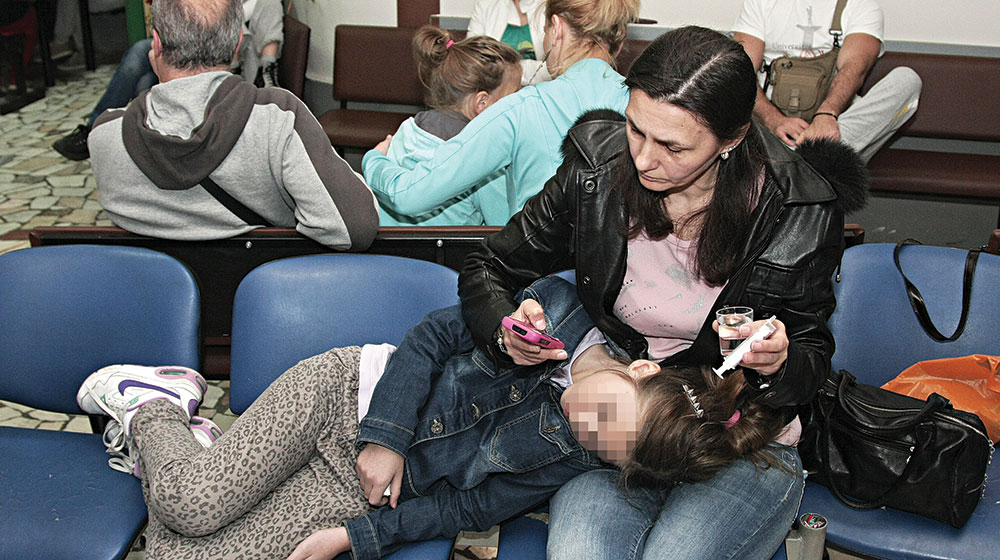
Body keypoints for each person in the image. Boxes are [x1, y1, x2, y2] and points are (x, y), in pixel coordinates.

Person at [458, 26, 870, 559]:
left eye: (673, 146)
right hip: (618, 433)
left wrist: (777, 363)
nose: (644, 159)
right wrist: (505, 330)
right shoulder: (598, 168)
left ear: (732, 139)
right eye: (635, 128)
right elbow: (490, 266)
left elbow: (811, 357)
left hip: (735, 438)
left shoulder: (800, 208)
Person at [76, 276, 786, 560]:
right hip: (346, 398)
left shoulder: (570, 454)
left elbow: (467, 507)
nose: (584, 428)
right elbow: (432, 338)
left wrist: (354, 536)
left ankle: (194, 445)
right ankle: (156, 404)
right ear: (641, 370)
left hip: (364, 489)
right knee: (190, 502)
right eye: (603, 414)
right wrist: (386, 438)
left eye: (604, 448)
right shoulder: (557, 313)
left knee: (181, 554)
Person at [87, 0, 378, 250]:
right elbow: (354, 228)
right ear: (238, 42)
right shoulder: (277, 119)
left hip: (156, 297)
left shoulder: (106, 135)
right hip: (254, 292)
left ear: (157, 43)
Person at [364, 0, 639, 226]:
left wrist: (374, 160)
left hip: (540, 271)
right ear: (619, 43)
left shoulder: (520, 109)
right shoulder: (641, 105)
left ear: (556, 29)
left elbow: (409, 196)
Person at [52, 0, 284, 161]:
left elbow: (241, 44)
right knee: (141, 69)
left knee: (140, 66)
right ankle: (114, 137)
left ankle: (95, 131)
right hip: (186, 48)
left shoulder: (260, 4)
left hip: (211, 60)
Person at [732, 0, 921, 162]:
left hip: (836, 122)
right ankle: (816, 164)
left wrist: (827, 115)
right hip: (771, 128)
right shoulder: (761, 3)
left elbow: (855, 69)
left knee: (907, 80)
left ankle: (801, 162)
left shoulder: (860, 6)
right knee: (732, 94)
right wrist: (773, 119)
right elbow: (741, 71)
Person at [379, 26, 522, 226]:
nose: (520, 102)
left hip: (388, 240)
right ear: (482, 102)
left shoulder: (408, 129)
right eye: (514, 95)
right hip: (443, 245)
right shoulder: (485, 158)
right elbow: (505, 226)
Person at [468, 0, 550, 85]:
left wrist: (503, 69)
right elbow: (473, 59)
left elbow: (552, 69)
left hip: (541, 89)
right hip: (493, 89)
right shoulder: (484, 4)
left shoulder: (550, 6)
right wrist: (531, 68)